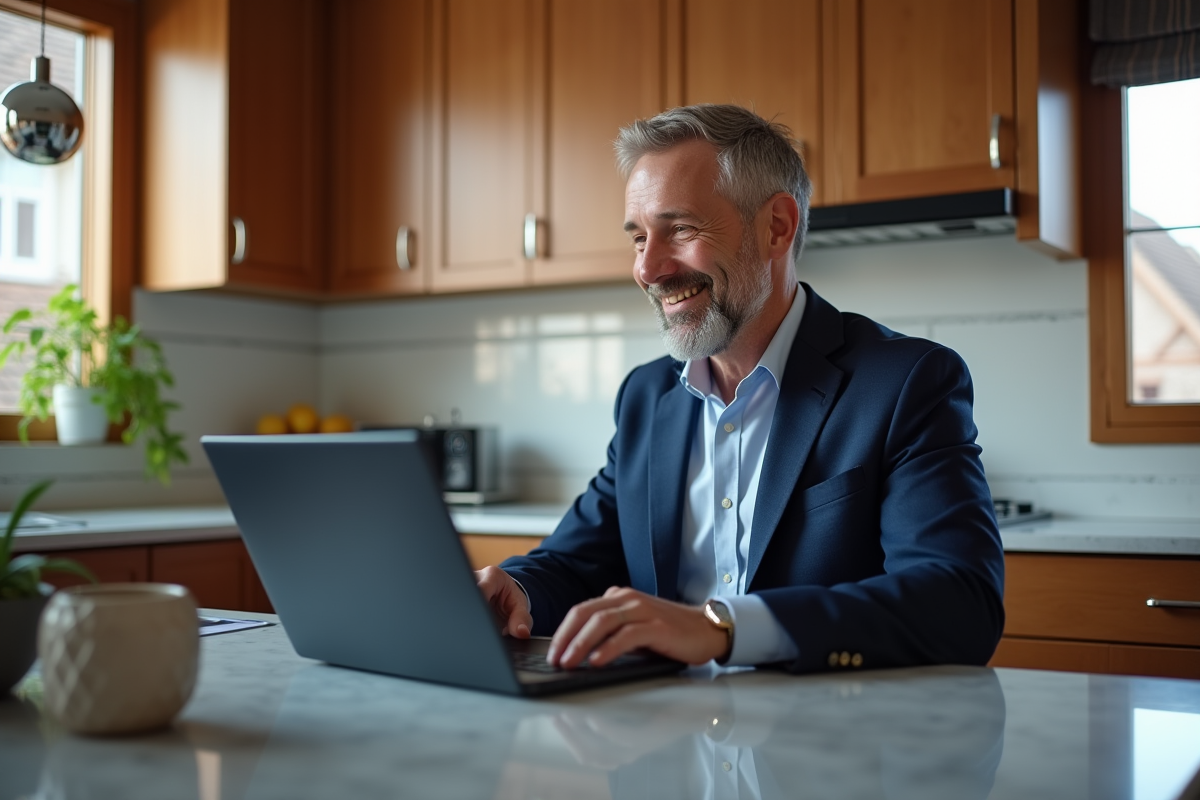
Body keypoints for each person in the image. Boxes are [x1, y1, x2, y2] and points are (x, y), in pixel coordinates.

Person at [475, 104, 1005, 673]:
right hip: (663, 744)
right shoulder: (646, 397)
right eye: (638, 238)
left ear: (777, 226)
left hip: (825, 745)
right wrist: (518, 590)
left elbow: (958, 602)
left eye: (680, 229)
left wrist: (720, 628)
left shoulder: (905, 382)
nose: (649, 270)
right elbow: (579, 562)